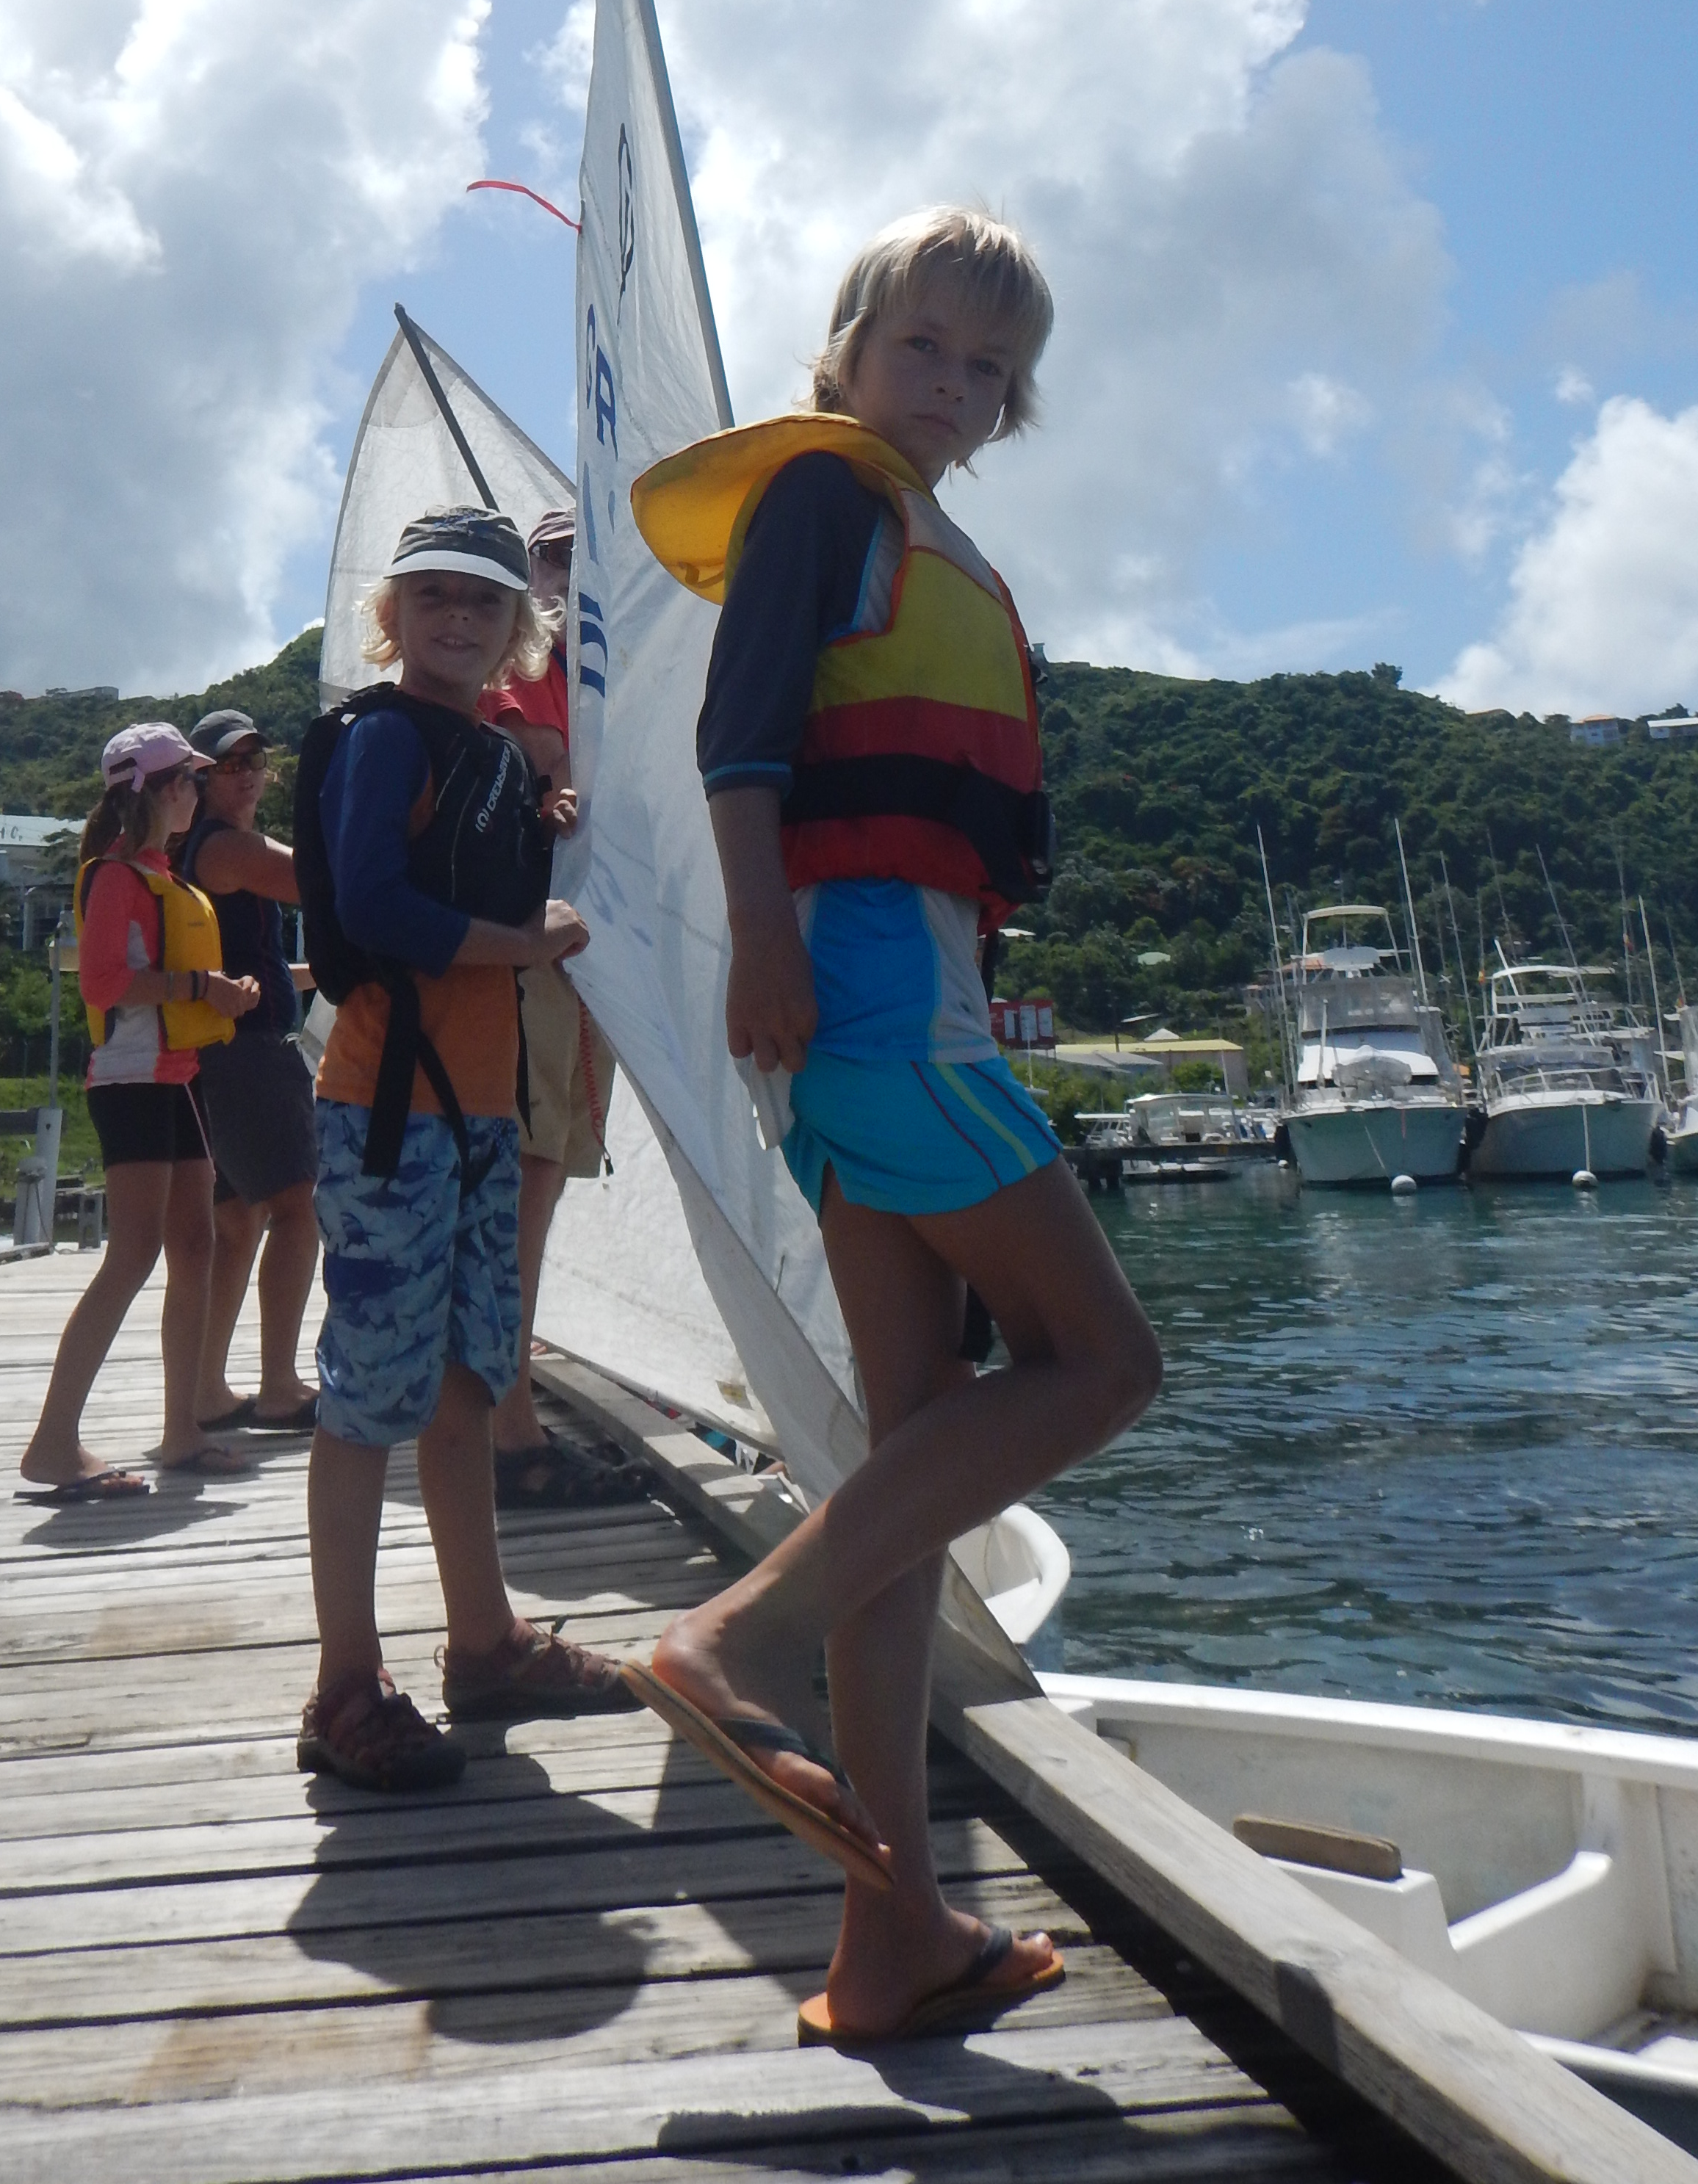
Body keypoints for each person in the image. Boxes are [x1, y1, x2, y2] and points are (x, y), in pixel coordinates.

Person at [621, 208, 1164, 2050]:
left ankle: (893, 1937)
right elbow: (740, 736)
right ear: (848, 347)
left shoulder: (925, 532)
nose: (951, 383)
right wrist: (763, 937)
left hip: (890, 981)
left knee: (911, 1467)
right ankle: (734, 1639)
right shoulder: (826, 497)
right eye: (922, 344)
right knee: (1104, 1360)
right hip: (856, 977)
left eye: (988, 367)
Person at [291, 506, 635, 1790]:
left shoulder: (489, 753)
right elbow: (375, 904)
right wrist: (527, 942)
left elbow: (488, 858)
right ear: (390, 617)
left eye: (483, 600)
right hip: (392, 1110)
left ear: (515, 631)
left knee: (466, 1383)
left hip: (482, 1114)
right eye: (431, 593)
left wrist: (548, 802)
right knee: (366, 1397)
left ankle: (485, 1642)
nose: (456, 615)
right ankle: (344, 1683)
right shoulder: (383, 738)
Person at [18, 724, 257, 1499]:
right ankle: (53, 1445)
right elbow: (103, 985)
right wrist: (202, 989)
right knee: (132, 1255)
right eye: (190, 780)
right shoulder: (119, 878)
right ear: (161, 791)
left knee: (195, 1244)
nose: (198, 792)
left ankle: (182, 1430)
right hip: (132, 1080)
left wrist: (223, 992)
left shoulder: (157, 875)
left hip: (175, 1077)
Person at [477, 507, 640, 1511]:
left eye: (589, 553)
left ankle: (504, 1407)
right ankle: (508, 1432)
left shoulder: (612, 667)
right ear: (533, 572)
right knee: (527, 1179)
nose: (574, 571)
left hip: (586, 953)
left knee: (542, 1175)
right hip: (538, 944)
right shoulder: (531, 659)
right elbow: (539, 766)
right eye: (556, 555)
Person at [178, 709, 318, 1434]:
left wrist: (320, 972)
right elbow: (318, 879)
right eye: (230, 764)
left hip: (213, 1053)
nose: (247, 775)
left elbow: (254, 964)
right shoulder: (227, 848)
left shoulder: (198, 849)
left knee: (236, 1224)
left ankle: (206, 1389)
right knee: (298, 1210)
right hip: (249, 1053)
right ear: (202, 778)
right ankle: (279, 1386)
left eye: (255, 761)